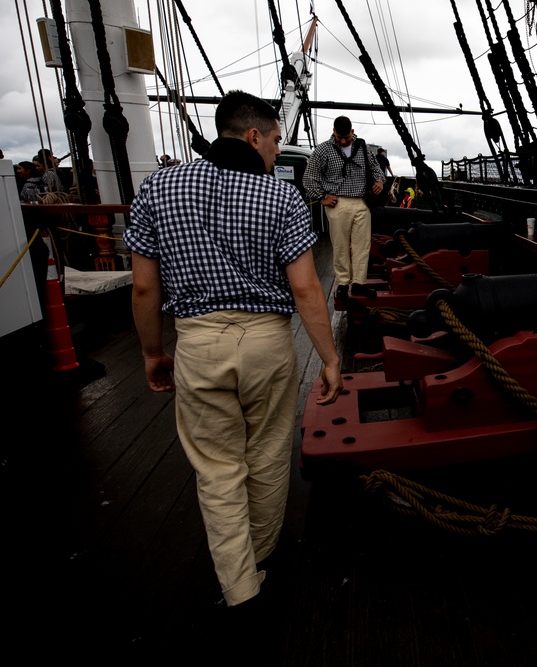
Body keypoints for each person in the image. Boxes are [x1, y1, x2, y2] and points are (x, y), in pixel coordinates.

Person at [124, 89, 343, 610]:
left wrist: (154, 353)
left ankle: (238, 584)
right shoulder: (281, 197)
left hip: (198, 342)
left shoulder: (158, 188)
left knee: (218, 467)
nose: (274, 150)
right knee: (267, 452)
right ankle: (262, 552)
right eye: (274, 140)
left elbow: (143, 289)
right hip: (266, 341)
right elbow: (308, 290)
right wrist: (331, 360)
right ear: (253, 136)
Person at [303, 116, 384, 300]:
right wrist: (321, 197)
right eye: (339, 137)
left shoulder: (362, 147)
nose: (343, 141)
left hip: (361, 202)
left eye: (346, 137)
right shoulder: (323, 150)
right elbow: (309, 178)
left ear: (352, 132)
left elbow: (375, 168)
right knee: (340, 246)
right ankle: (342, 283)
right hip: (337, 202)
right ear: (334, 132)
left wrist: (379, 180)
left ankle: (359, 283)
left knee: (361, 246)